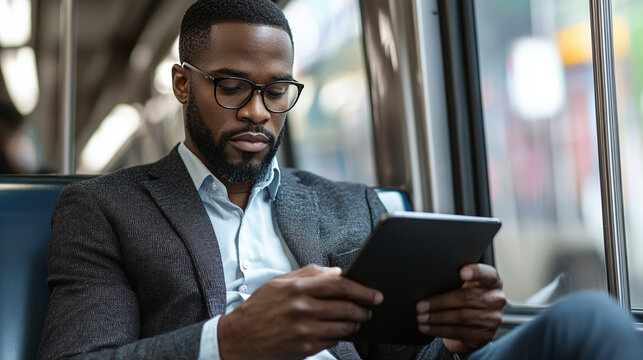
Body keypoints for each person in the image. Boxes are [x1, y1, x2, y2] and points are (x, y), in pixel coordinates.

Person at [39, 0, 643, 359]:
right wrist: (229, 342)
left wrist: (458, 338)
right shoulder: (104, 208)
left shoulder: (352, 208)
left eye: (277, 91)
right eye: (231, 86)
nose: (257, 112)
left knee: (588, 321)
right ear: (181, 85)